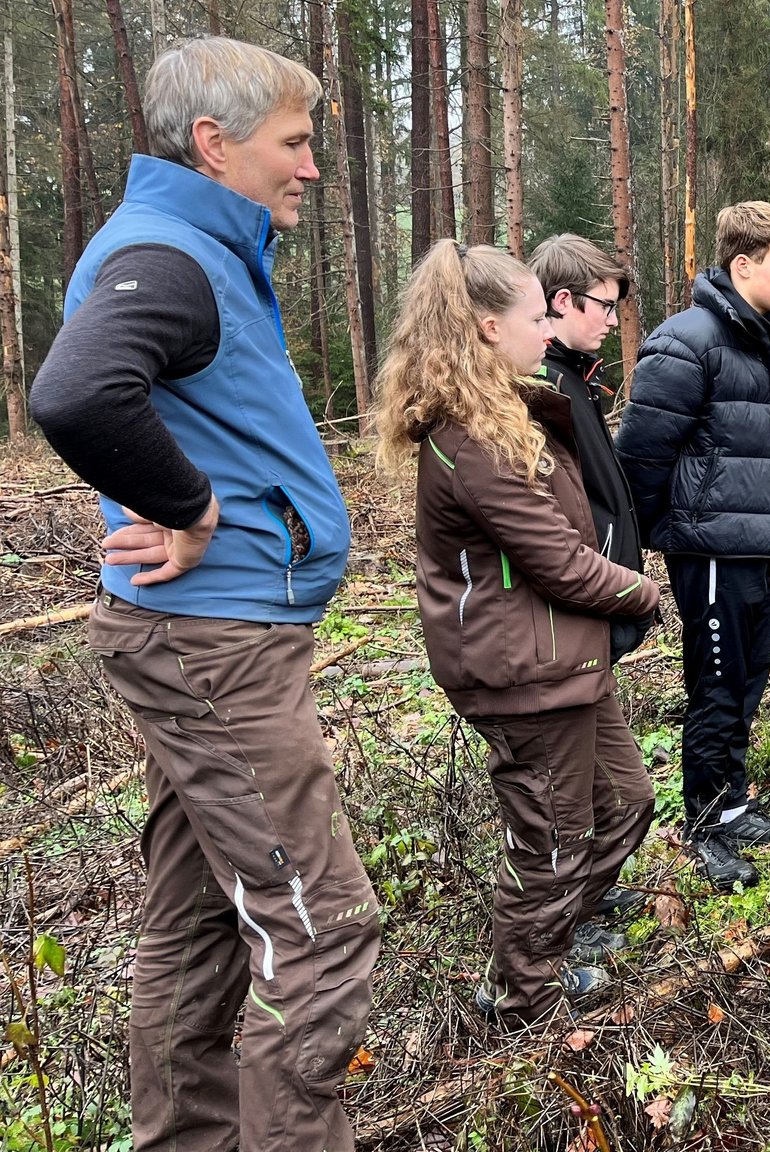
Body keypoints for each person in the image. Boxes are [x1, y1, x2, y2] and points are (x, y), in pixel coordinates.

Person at [29, 36, 379, 1150]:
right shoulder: (168, 251)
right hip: (213, 645)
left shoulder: (205, 249)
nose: (311, 167)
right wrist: (189, 508)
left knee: (196, 927)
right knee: (320, 932)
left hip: (214, 638)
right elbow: (79, 394)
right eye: (294, 143)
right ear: (215, 146)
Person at [373, 241, 659, 1025]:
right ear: (489, 328)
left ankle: (548, 944)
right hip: (522, 671)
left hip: (561, 658)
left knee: (628, 802)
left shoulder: (508, 414)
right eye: (536, 316)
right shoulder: (472, 438)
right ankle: (521, 997)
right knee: (554, 839)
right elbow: (559, 563)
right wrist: (641, 593)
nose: (549, 329)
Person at [617, 202, 770, 887]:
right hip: (706, 550)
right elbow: (640, 458)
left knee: (748, 681)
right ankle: (703, 825)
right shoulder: (686, 341)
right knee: (716, 686)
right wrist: (652, 545)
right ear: (743, 266)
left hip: (754, 541)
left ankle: (732, 806)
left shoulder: (767, 336)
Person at [529, 233, 658, 670]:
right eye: (604, 306)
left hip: (599, 597)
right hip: (576, 606)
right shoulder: (544, 388)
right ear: (563, 300)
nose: (611, 320)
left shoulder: (576, 379)